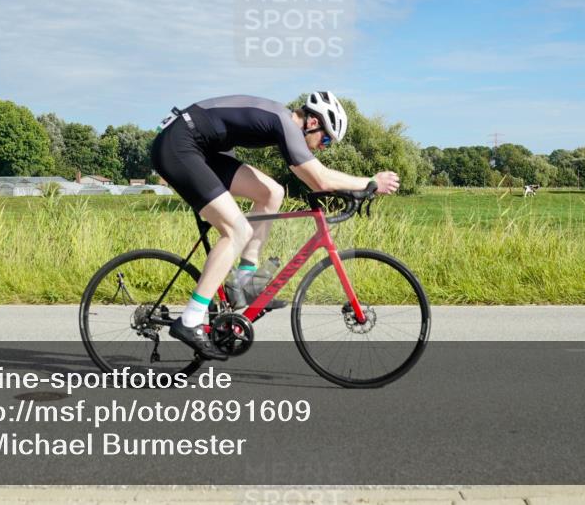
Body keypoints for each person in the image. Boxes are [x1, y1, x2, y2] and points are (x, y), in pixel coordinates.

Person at [150, 92, 400, 360]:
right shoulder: (284, 121)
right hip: (179, 146)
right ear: (313, 122)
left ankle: (243, 281)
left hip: (202, 150)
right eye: (326, 139)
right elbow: (320, 181)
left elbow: (317, 178)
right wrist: (369, 181)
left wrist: (354, 189)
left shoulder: (281, 121)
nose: (323, 147)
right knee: (237, 230)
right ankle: (190, 319)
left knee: (272, 193)